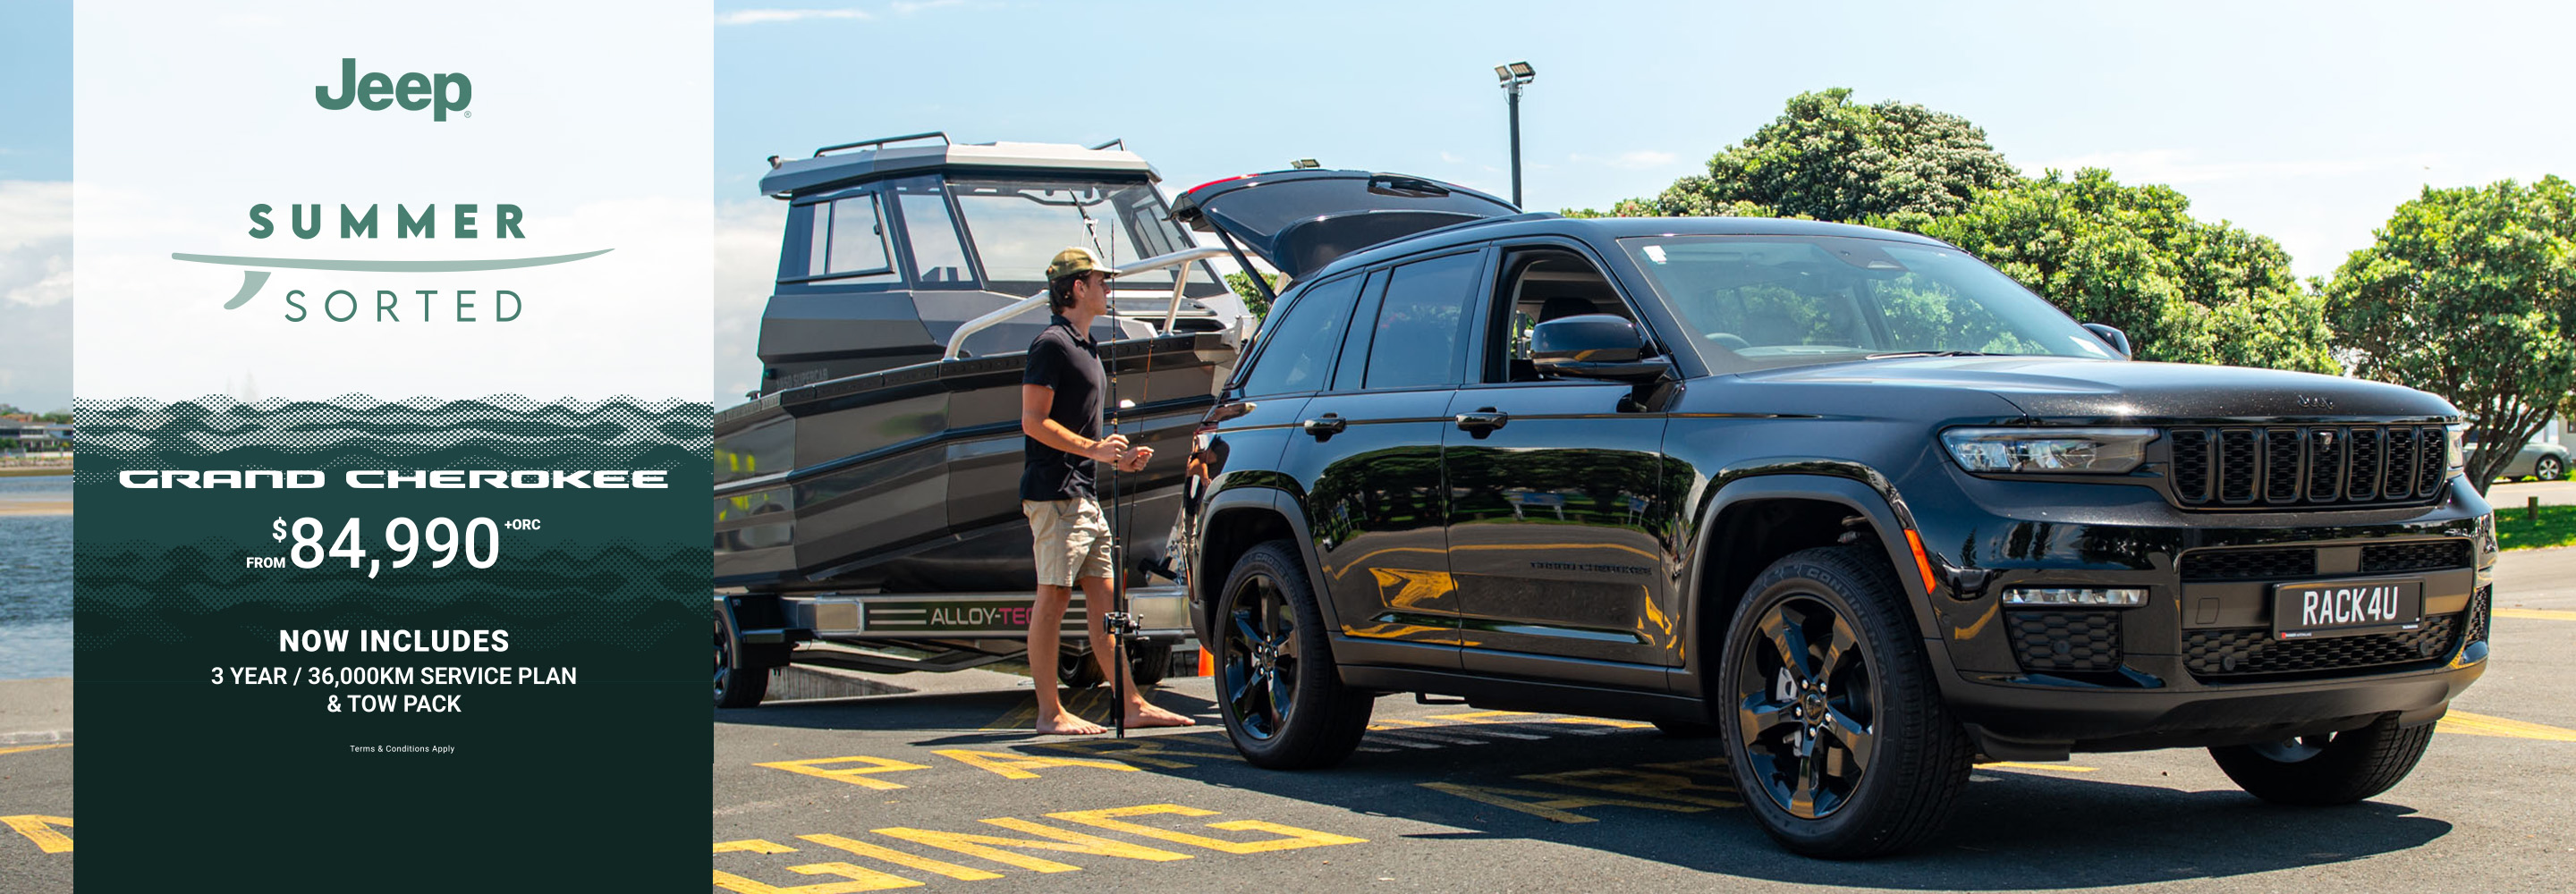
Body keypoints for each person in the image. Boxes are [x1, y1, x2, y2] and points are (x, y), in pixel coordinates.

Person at [1018, 247, 1197, 735]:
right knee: (1052, 600)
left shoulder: (1087, 346)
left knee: (1106, 602)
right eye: (1101, 280)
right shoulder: (1051, 345)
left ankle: (1131, 703)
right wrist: (1097, 450)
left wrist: (1118, 455)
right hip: (1055, 494)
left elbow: (1080, 432)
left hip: (1083, 494)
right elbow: (1033, 422)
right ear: (1077, 287)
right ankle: (1049, 714)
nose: (1107, 287)